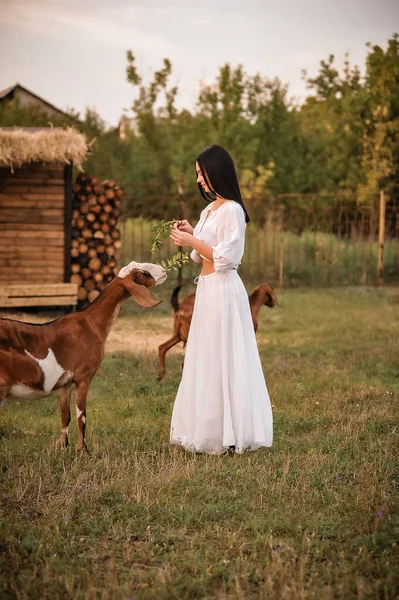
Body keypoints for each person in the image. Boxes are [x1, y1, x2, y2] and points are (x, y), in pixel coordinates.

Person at [169, 145, 273, 455]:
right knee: (207, 357)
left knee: (226, 357)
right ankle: (210, 428)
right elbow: (201, 250)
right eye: (197, 175)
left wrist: (192, 240)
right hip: (207, 288)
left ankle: (232, 432)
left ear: (217, 172)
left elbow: (228, 257)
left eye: (202, 174)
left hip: (225, 289)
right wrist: (192, 232)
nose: (199, 180)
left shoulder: (233, 210)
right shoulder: (209, 210)